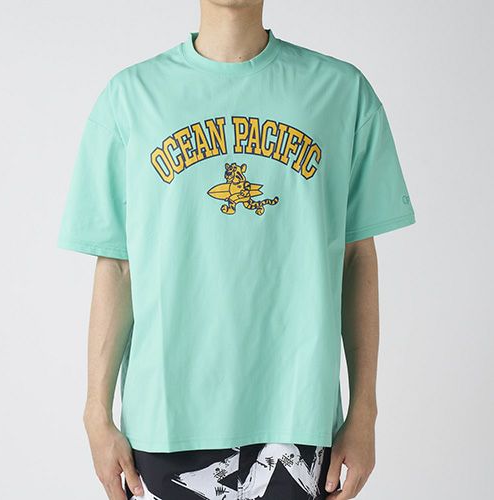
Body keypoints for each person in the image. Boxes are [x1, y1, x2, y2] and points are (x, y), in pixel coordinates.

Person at [57, 0, 415, 498]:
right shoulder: (130, 97)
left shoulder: (342, 92)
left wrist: (364, 412)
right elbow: (118, 265)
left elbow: (356, 258)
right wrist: (96, 413)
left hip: (297, 418)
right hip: (166, 420)